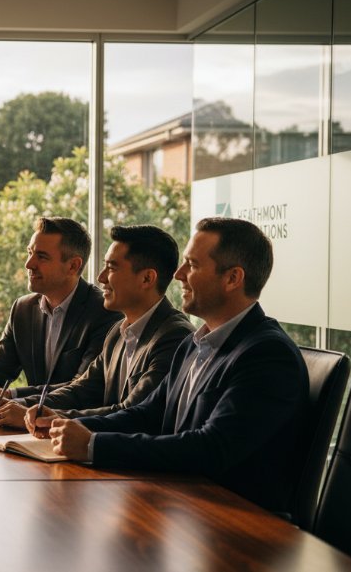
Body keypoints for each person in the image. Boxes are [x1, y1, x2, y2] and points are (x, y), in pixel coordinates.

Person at [29, 217, 307, 510]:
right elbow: (148, 414)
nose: (178, 274)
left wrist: (92, 445)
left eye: (193, 265)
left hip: (235, 522)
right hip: (184, 503)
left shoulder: (267, 354)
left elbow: (210, 448)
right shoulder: (195, 343)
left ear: (232, 279)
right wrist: (67, 426)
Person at [0, 225, 193, 428]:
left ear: (147, 278)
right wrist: (20, 405)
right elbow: (81, 390)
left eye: (111, 268)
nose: (101, 277)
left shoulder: (174, 336)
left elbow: (133, 412)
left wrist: (51, 419)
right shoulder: (118, 333)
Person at [0, 217, 122, 407]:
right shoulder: (23, 309)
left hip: (73, 428)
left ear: (73, 266)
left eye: (41, 257)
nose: (29, 264)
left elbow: (81, 388)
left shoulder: (105, 311)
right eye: (30, 253)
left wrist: (11, 395)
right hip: (25, 427)